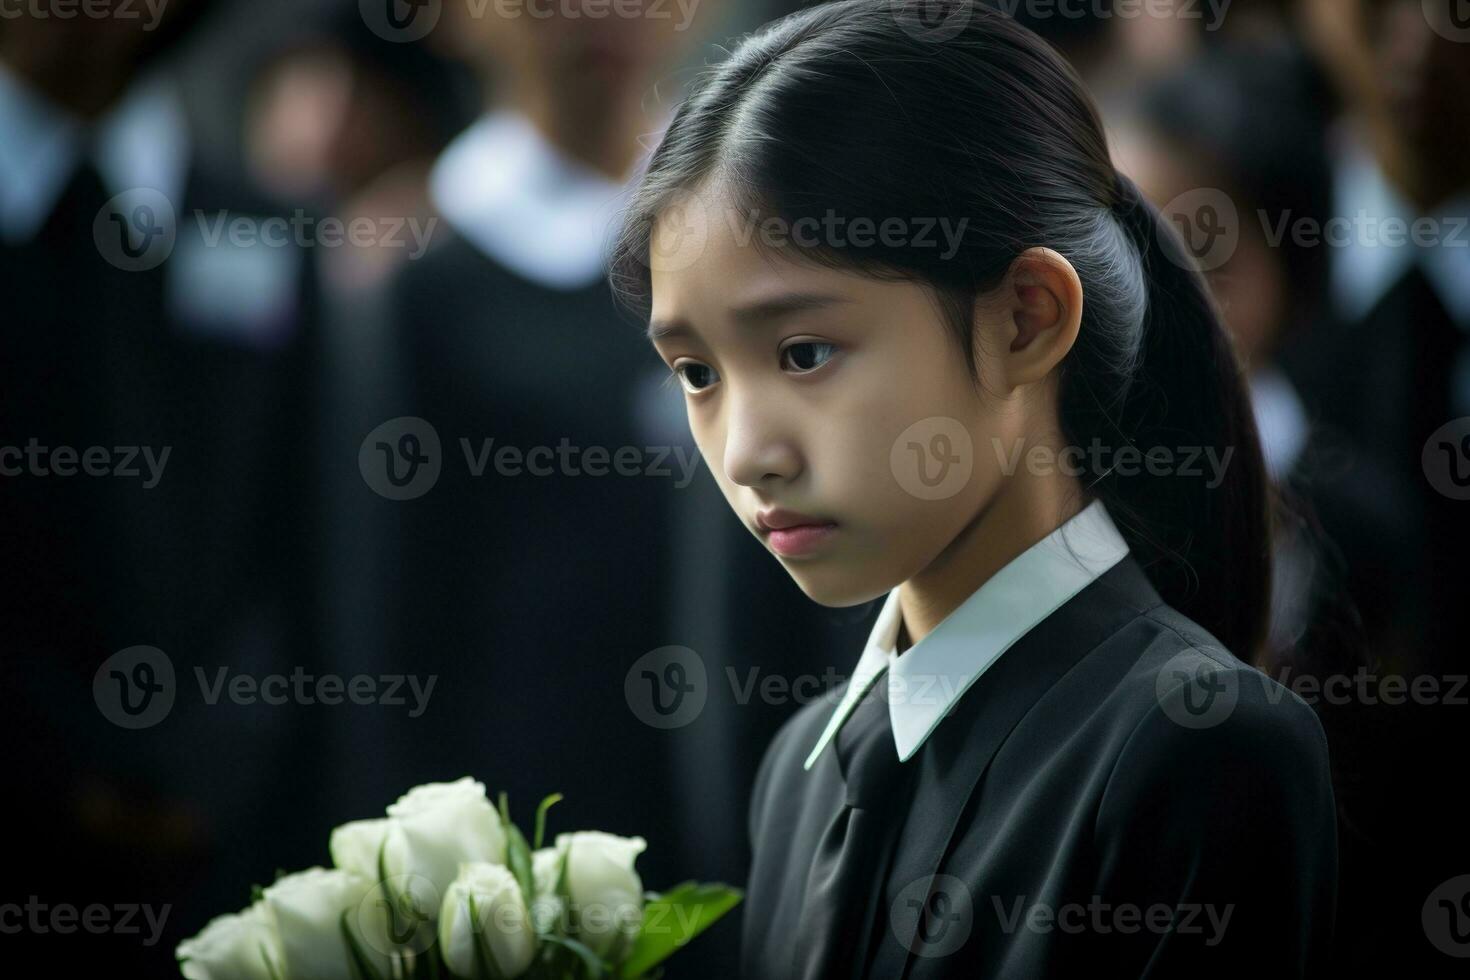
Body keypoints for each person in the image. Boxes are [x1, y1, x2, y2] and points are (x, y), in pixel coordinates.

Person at [610, 3, 1337, 975]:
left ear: (1025, 321)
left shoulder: (1200, 748)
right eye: (698, 372)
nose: (744, 453)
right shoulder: (802, 768)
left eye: (805, 350)